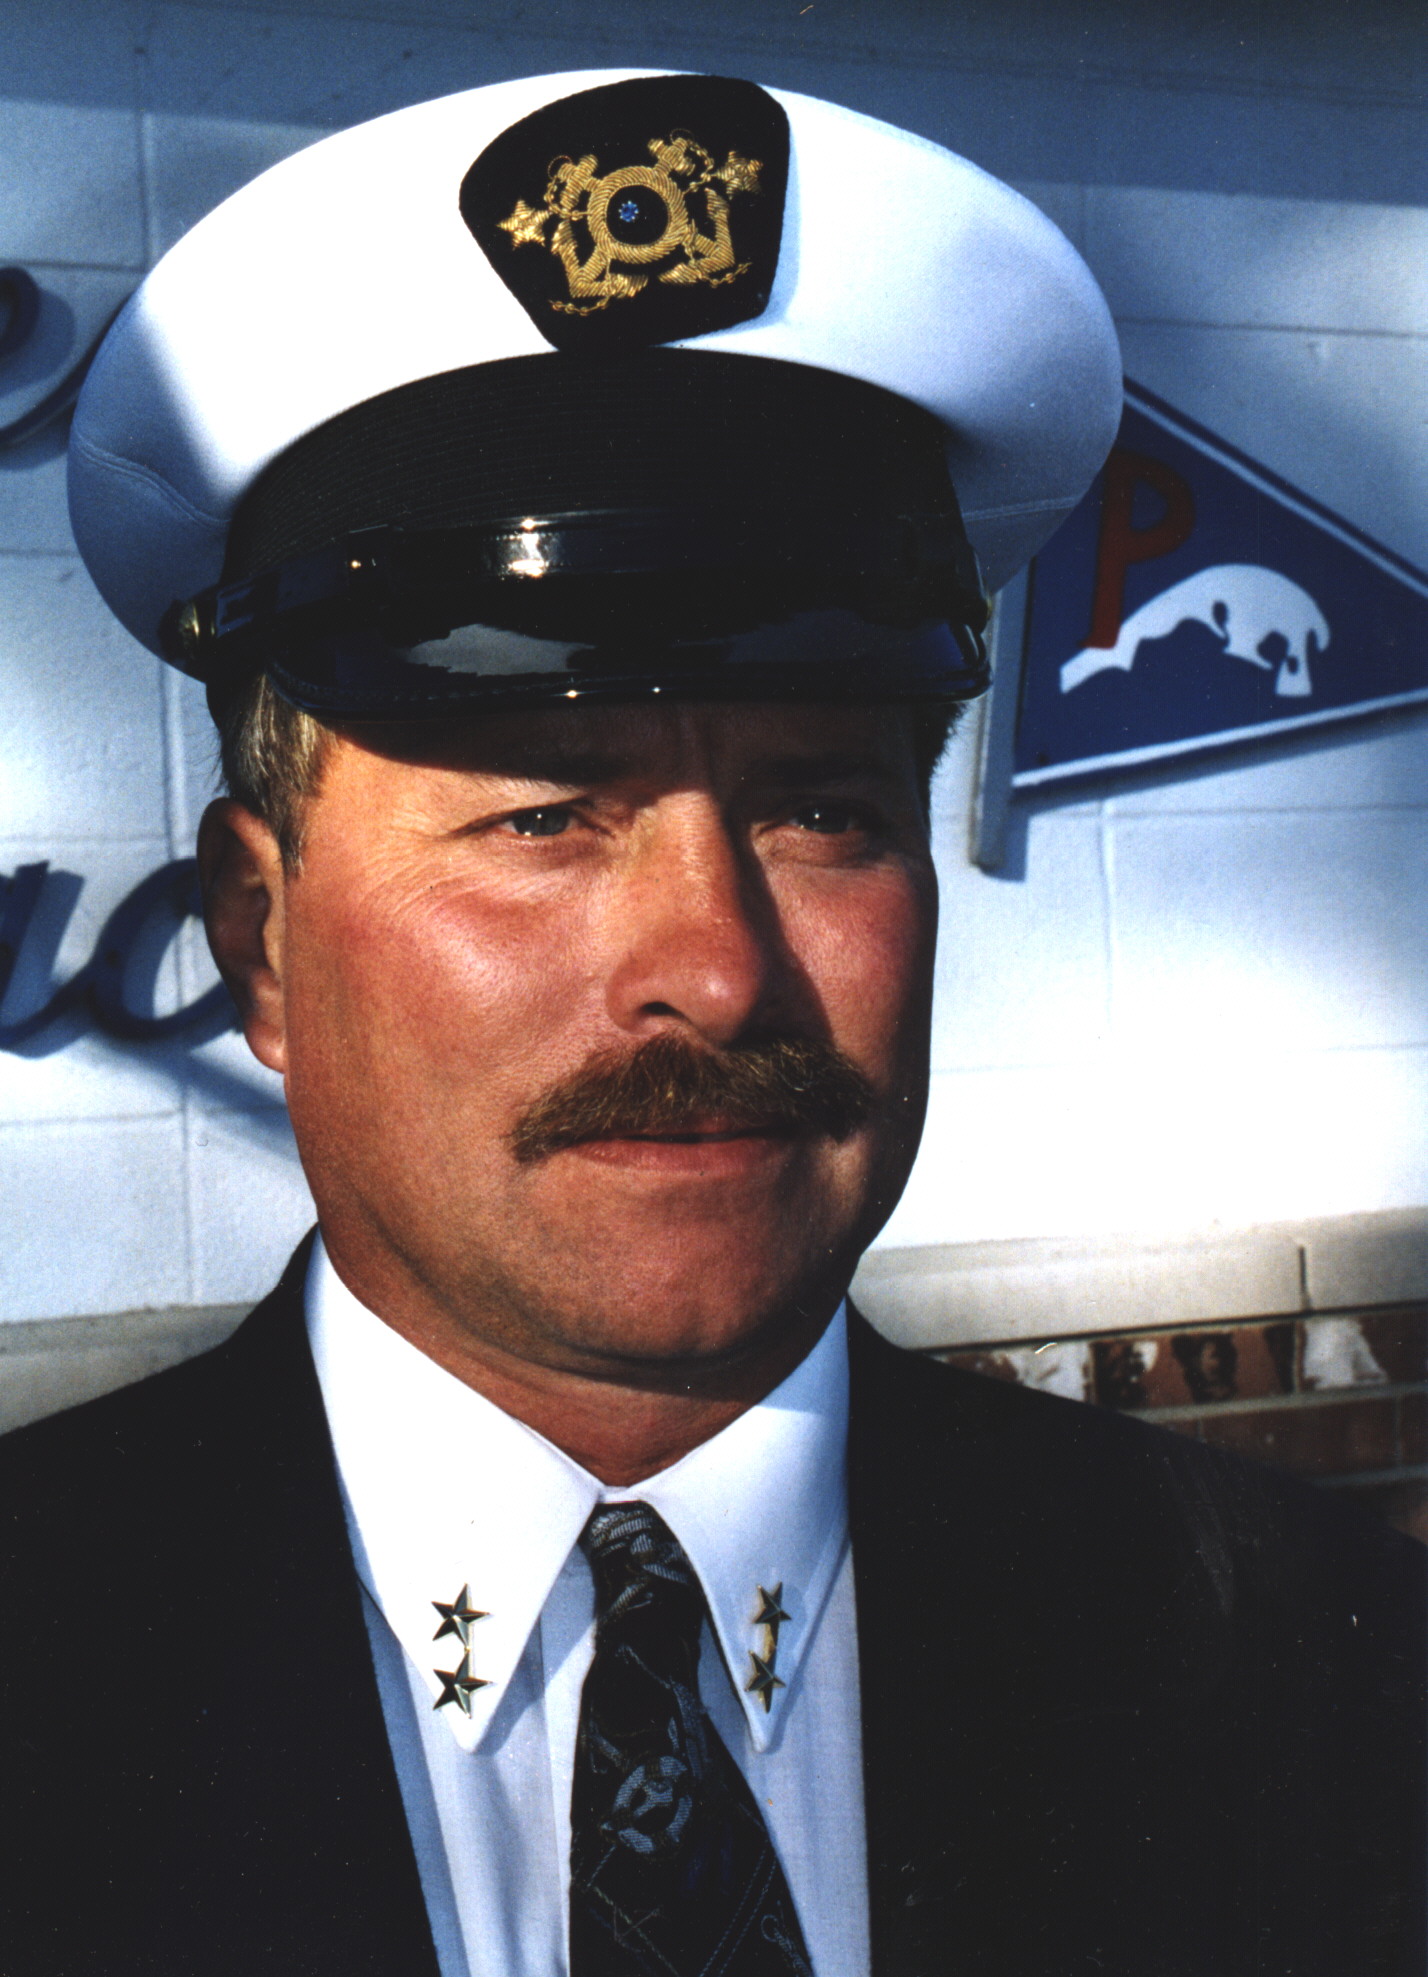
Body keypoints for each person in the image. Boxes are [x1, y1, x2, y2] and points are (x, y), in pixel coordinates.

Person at [2, 68, 1421, 1977]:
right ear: (261, 944)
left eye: (821, 808)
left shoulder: (1318, 1673)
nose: (719, 966)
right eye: (543, 816)